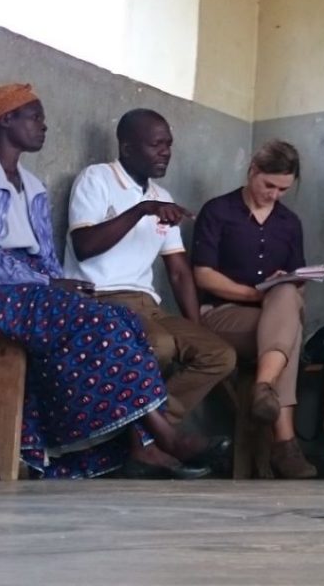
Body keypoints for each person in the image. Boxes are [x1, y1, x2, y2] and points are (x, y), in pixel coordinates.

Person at [0, 84, 217, 479]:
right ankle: (162, 436)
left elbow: (46, 256)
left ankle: (140, 446)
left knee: (125, 321)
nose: (44, 125)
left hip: (32, 291)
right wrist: (46, 282)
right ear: (6, 120)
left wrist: (55, 281)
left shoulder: (33, 186)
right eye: (35, 117)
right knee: (98, 321)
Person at [63, 109, 236, 429]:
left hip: (148, 305)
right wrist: (142, 210)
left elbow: (179, 272)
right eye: (156, 145)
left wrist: (196, 328)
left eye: (168, 144)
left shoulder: (162, 196)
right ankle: (149, 433)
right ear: (127, 148)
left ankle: (149, 429)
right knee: (160, 345)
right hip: (100, 298)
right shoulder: (96, 178)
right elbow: (84, 247)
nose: (166, 152)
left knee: (219, 355)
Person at [191, 140, 317, 479]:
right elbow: (203, 274)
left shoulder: (289, 223)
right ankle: (285, 445)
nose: (274, 195)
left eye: (283, 189)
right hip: (222, 314)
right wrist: (254, 294)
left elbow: (298, 283)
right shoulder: (218, 211)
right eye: (269, 185)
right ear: (252, 172)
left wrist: (282, 285)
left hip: (271, 318)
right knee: (289, 332)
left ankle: (263, 387)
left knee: (287, 295)